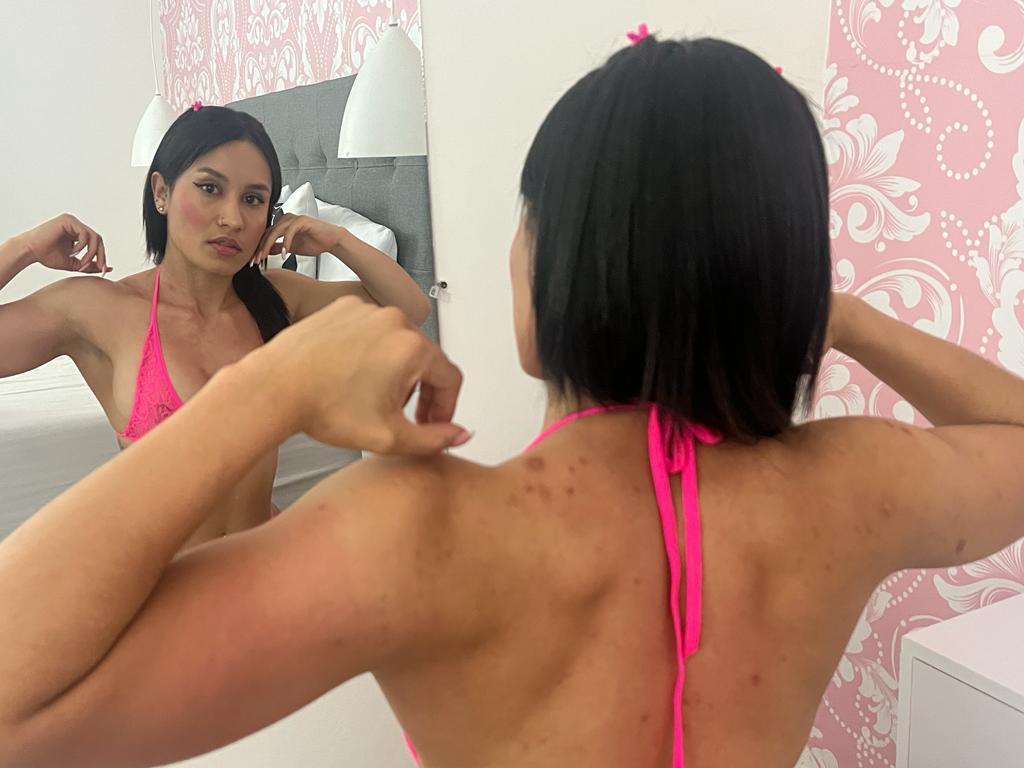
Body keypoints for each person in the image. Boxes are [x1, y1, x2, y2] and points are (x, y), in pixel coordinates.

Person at [2, 35, 1023, 768]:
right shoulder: (850, 486)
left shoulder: (417, 529)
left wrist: (263, 390)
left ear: (547, 267)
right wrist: (837, 316)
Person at [0, 105, 430, 550]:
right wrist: (21, 248)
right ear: (161, 192)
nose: (233, 219)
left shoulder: (277, 299)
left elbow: (410, 309)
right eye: (210, 188)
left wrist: (338, 240)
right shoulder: (100, 309)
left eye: (253, 199)